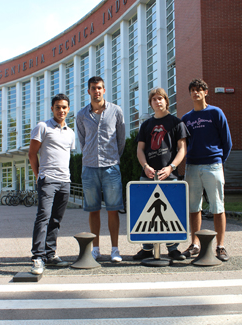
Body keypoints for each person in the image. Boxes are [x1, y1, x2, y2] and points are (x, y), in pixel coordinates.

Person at [133, 87, 190, 261]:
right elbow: (140, 150)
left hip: (169, 175)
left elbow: (182, 149)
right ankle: (147, 248)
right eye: (154, 99)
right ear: (150, 103)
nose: (158, 101)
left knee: (171, 212)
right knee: (147, 213)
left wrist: (171, 167)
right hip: (149, 175)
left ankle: (172, 248)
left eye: (161, 98)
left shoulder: (176, 123)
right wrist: (146, 167)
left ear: (166, 100)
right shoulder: (146, 125)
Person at [181, 78, 232, 261]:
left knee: (218, 207)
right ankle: (194, 245)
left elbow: (227, 141)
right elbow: (183, 145)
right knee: (194, 208)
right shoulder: (186, 119)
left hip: (213, 165)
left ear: (206, 92)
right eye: (193, 90)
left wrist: (218, 160)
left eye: (199, 89)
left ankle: (220, 246)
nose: (196, 93)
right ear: (190, 94)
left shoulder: (216, 113)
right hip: (192, 166)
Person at [76, 76, 125, 262]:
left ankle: (115, 249)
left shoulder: (116, 111)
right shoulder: (81, 115)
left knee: (113, 209)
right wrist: (90, 156)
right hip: (89, 168)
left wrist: (113, 157)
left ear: (104, 90)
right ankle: (95, 249)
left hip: (111, 167)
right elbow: (83, 141)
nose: (96, 91)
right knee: (93, 210)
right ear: (88, 91)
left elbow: (121, 140)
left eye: (99, 88)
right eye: (93, 88)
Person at [28, 93, 75, 274]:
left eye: (64, 107)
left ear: (68, 109)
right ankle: (37, 257)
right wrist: (38, 174)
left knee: (56, 219)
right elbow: (32, 153)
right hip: (48, 180)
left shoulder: (70, 133)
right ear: (52, 109)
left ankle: (50, 254)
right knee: (43, 217)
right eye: (57, 107)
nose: (61, 110)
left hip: (65, 181)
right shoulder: (43, 127)